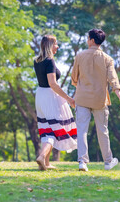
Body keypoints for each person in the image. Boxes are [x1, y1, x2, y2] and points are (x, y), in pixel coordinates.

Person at [71, 29, 120, 172]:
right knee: (103, 130)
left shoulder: (80, 56)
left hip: (82, 98)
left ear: (91, 40)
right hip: (100, 100)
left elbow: (74, 79)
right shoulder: (108, 59)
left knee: (82, 130)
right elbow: (113, 80)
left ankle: (82, 162)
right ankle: (108, 161)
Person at [34, 35, 77, 170]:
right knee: (53, 129)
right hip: (49, 96)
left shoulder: (37, 61)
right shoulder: (49, 61)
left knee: (46, 128)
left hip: (40, 95)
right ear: (50, 46)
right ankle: (42, 157)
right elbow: (53, 84)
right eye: (55, 44)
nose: (57, 47)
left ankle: (45, 164)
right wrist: (68, 98)